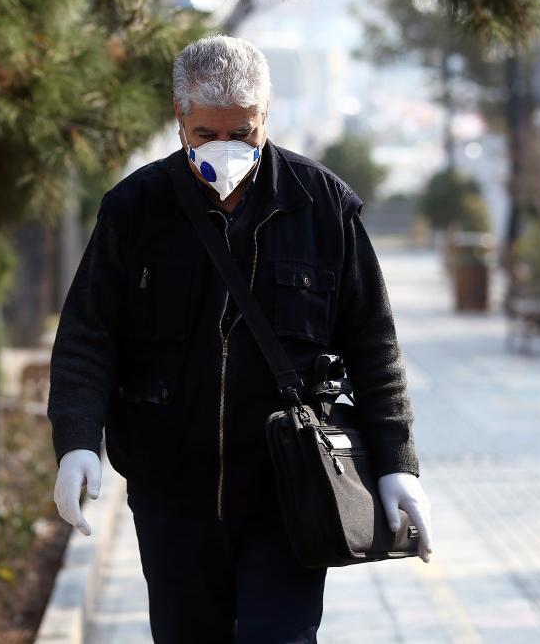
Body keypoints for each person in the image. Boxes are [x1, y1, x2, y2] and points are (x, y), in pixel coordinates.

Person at [47, 34, 433, 643]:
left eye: (242, 134)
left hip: (288, 494)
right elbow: (87, 337)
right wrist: (76, 442)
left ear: (266, 119)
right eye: (207, 134)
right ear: (180, 121)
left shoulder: (323, 207)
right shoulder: (135, 209)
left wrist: (397, 466)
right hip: (172, 497)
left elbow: (373, 346)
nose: (224, 149)